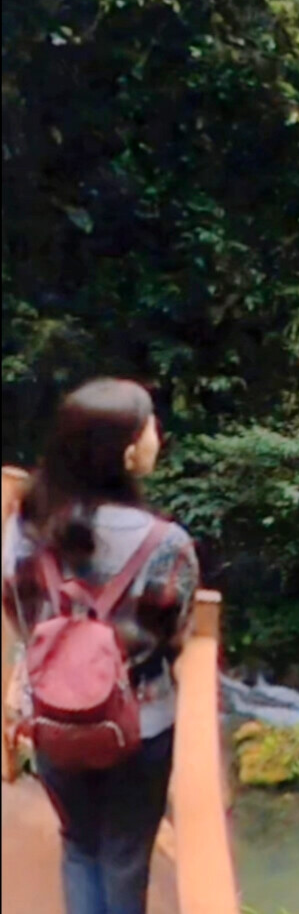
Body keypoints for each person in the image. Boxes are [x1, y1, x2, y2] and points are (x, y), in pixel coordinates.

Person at [1, 379, 199, 914]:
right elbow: (171, 634)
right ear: (130, 451)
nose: (159, 434)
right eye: (151, 424)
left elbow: (18, 615)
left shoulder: (24, 527)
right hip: (138, 724)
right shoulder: (166, 545)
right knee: (125, 856)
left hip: (52, 716)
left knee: (79, 844)